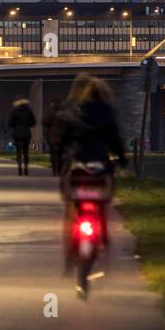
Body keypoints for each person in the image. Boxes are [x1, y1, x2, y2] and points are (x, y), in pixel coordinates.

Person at [58, 75, 127, 251]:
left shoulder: (78, 110)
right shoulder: (107, 111)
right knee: (104, 197)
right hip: (100, 163)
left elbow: (65, 138)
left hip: (79, 163)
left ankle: (71, 240)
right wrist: (122, 159)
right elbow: (114, 139)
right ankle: (103, 234)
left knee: (72, 199)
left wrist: (61, 155)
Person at [9, 97, 36, 175]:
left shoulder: (15, 111)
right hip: (26, 133)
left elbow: (10, 123)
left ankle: (20, 169)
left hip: (17, 134)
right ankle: (26, 169)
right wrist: (27, 125)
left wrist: (16, 126)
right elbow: (33, 122)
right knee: (26, 152)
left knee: (19, 152)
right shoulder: (29, 111)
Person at [46, 97, 66, 175]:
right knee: (61, 154)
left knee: (53, 154)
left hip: (52, 137)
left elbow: (44, 122)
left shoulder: (51, 113)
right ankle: (60, 170)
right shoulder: (64, 113)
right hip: (62, 137)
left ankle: (54, 170)